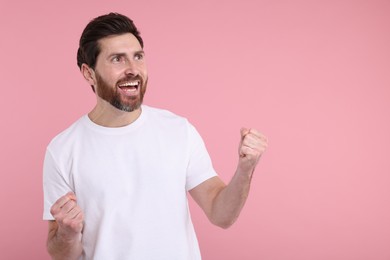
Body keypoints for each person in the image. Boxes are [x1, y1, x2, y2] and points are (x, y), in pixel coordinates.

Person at [43, 12, 268, 260]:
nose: (132, 69)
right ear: (88, 73)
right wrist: (66, 233)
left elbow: (221, 214)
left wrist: (245, 170)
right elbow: (62, 254)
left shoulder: (178, 130)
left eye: (138, 57)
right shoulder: (63, 149)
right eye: (117, 59)